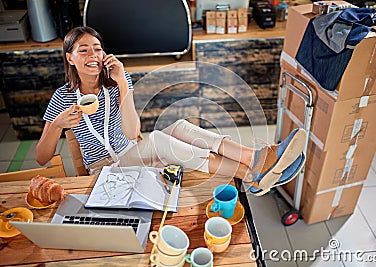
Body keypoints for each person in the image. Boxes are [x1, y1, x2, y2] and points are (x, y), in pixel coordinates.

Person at [36, 26, 306, 196]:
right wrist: (59, 124)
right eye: (83, 50)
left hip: (131, 153)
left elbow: (132, 132)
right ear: (70, 58)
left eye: (97, 49)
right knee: (158, 140)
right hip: (106, 171)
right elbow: (41, 157)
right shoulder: (63, 97)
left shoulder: (117, 81)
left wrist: (121, 83)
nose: (93, 55)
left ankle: (256, 160)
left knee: (180, 126)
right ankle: (251, 173)